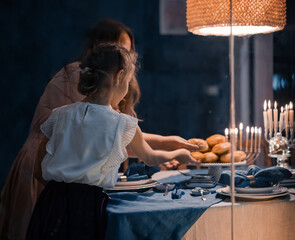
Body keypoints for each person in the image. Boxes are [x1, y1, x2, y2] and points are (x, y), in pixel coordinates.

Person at [0, 19, 197, 240]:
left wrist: (63, 188)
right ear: (119, 75)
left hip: (51, 200)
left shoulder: (61, 114)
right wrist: (179, 153)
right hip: (86, 205)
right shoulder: (119, 121)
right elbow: (148, 156)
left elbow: (40, 166)